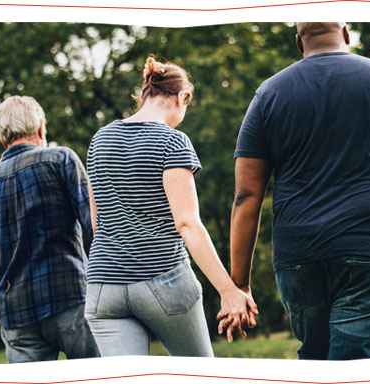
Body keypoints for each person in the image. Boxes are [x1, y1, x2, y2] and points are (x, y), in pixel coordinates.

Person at [226, 22, 370, 360]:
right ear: (346, 34)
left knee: (314, 361)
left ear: (299, 42)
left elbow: (246, 196)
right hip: (369, 251)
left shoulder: (268, 94)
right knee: (355, 367)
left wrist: (238, 284)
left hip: (298, 259)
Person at [84, 55, 258, 357]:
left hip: (104, 288)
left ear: (144, 94)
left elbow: (97, 222)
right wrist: (229, 290)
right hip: (163, 281)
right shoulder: (172, 141)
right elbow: (187, 224)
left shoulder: (100, 140)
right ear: (183, 97)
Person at [0, 96, 100, 363]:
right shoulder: (61, 159)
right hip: (71, 298)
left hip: (17, 314)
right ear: (41, 129)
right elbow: (96, 224)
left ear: (2, 138)